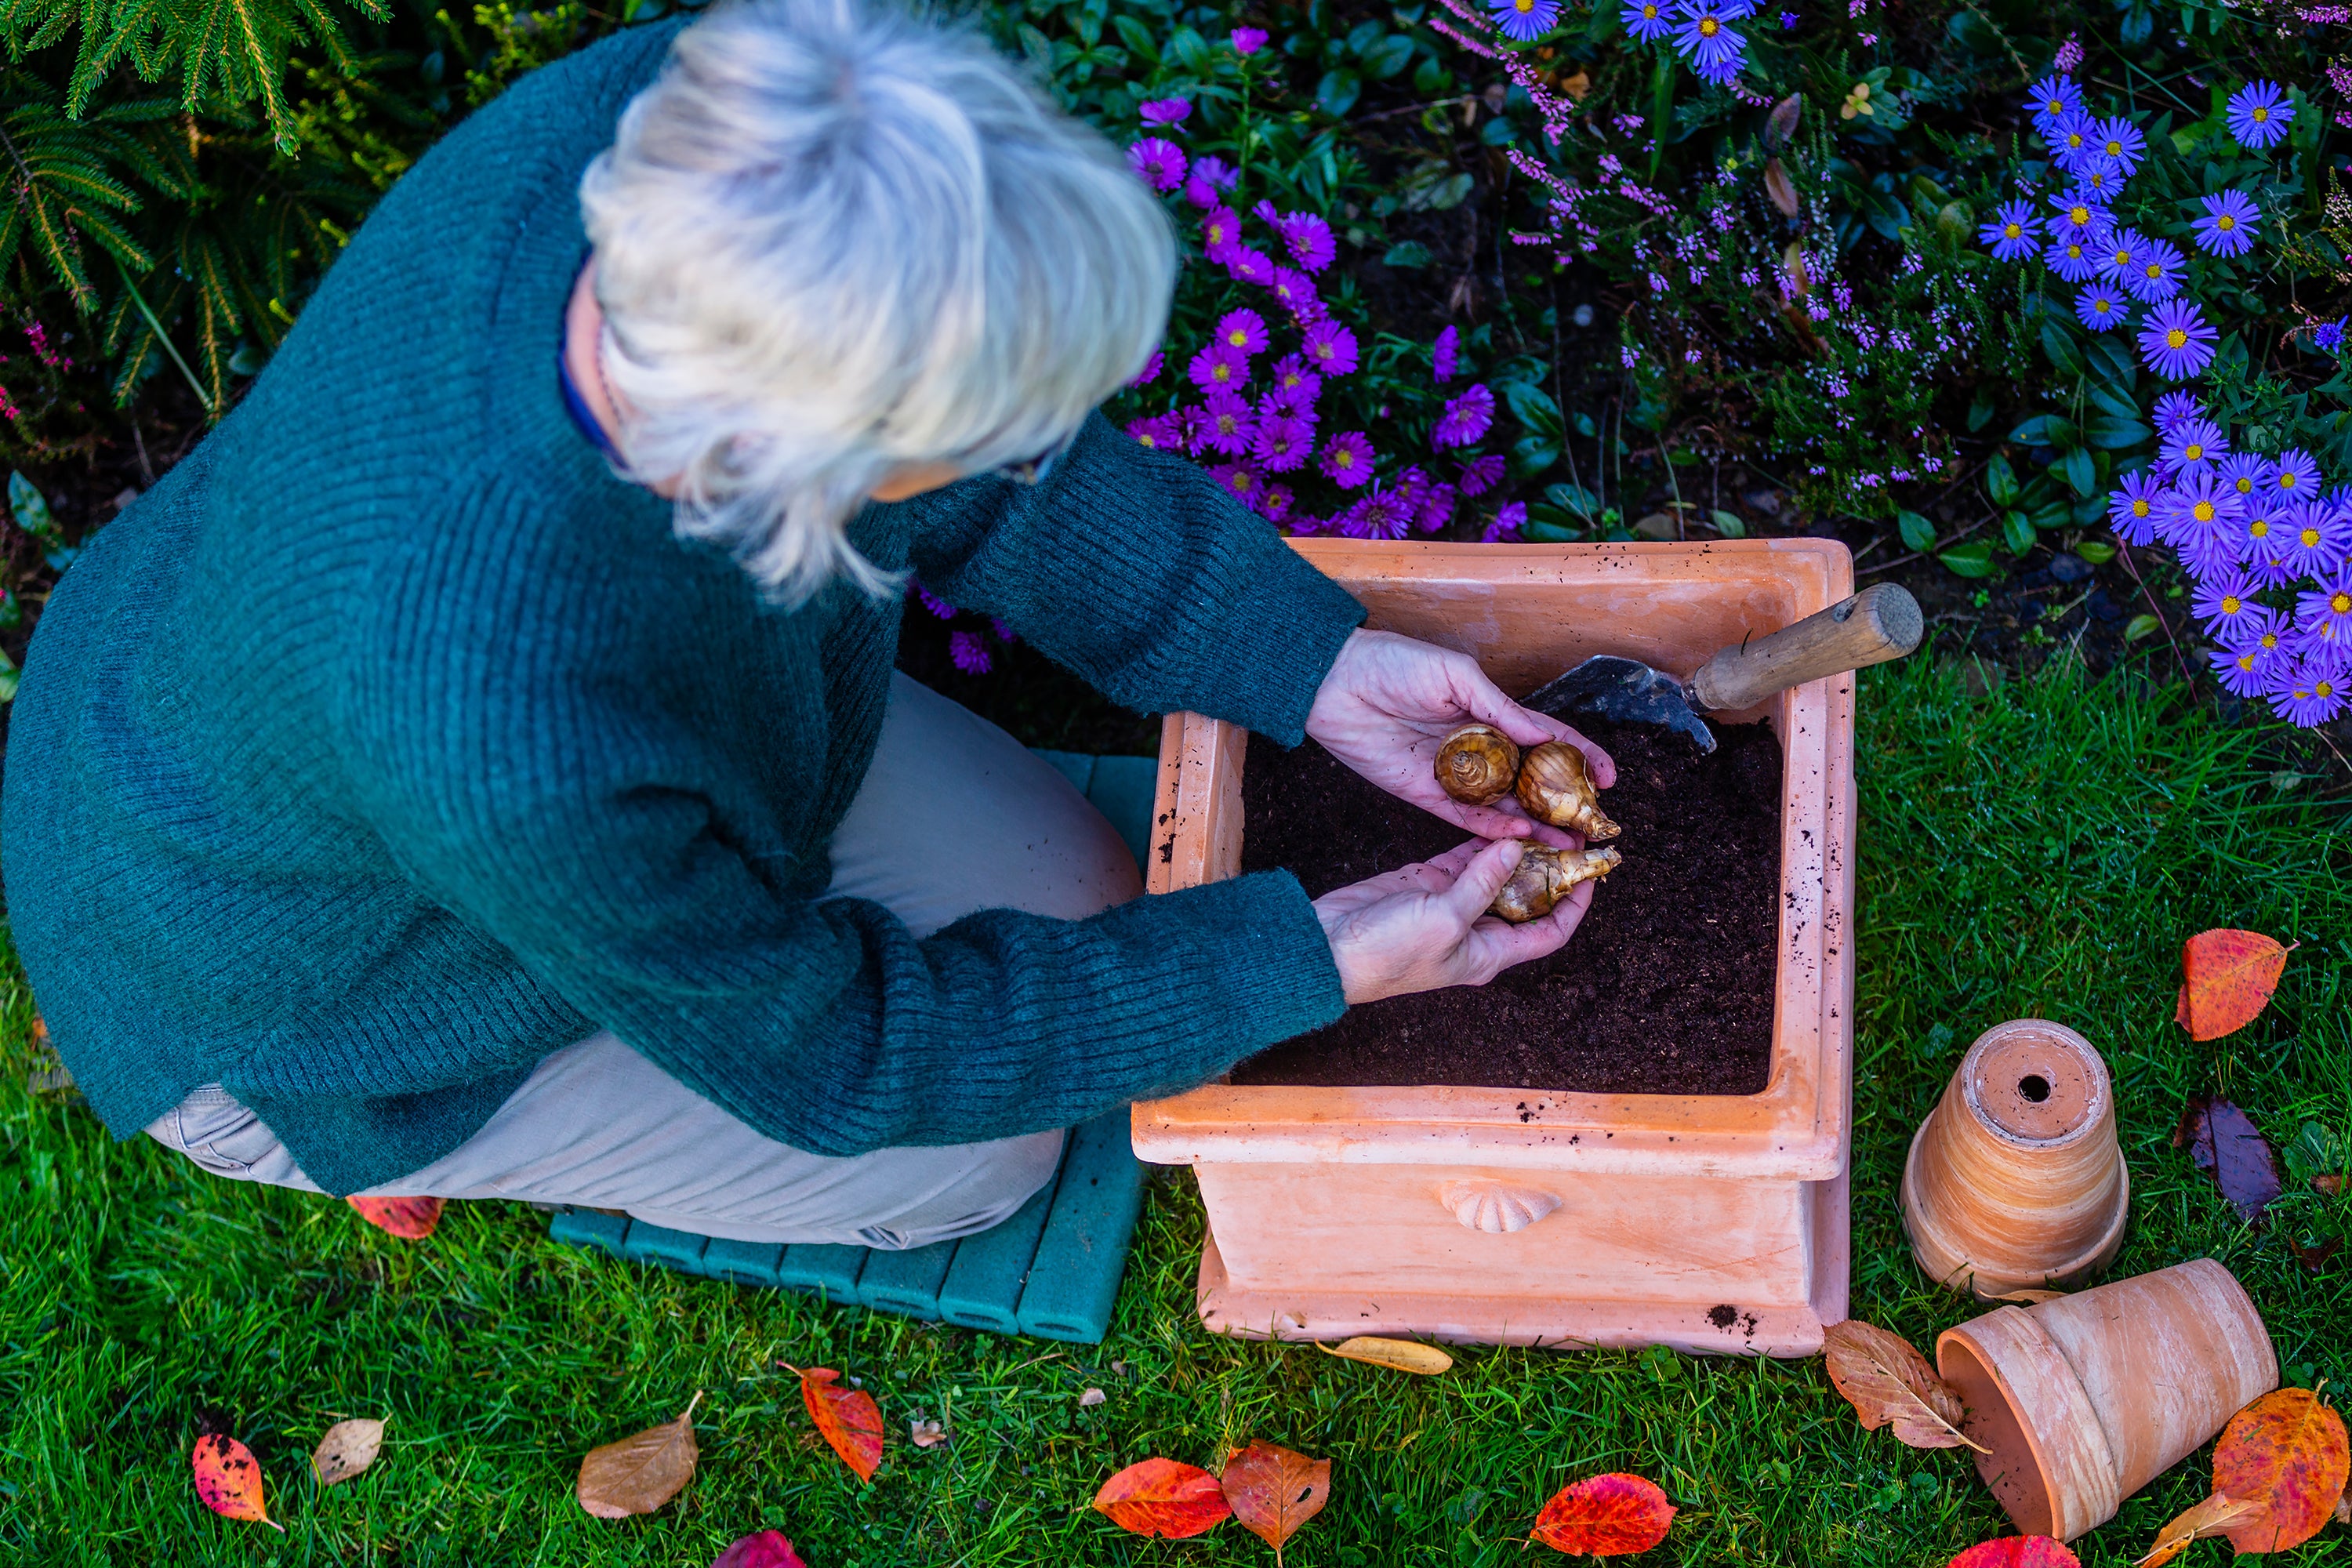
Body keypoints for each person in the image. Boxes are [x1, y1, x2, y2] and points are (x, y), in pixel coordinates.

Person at [0, 0, 1610, 1250]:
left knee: (1087, 904)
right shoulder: (503, 726)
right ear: (780, 460)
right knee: (983, 1158)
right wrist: (1316, 956)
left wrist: (1311, 663)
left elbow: (977, 454)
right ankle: (395, 1134)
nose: (1024, 454)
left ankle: (676, 916)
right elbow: (839, 1062)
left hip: (282, 692)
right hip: (307, 977)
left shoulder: (713, 137)